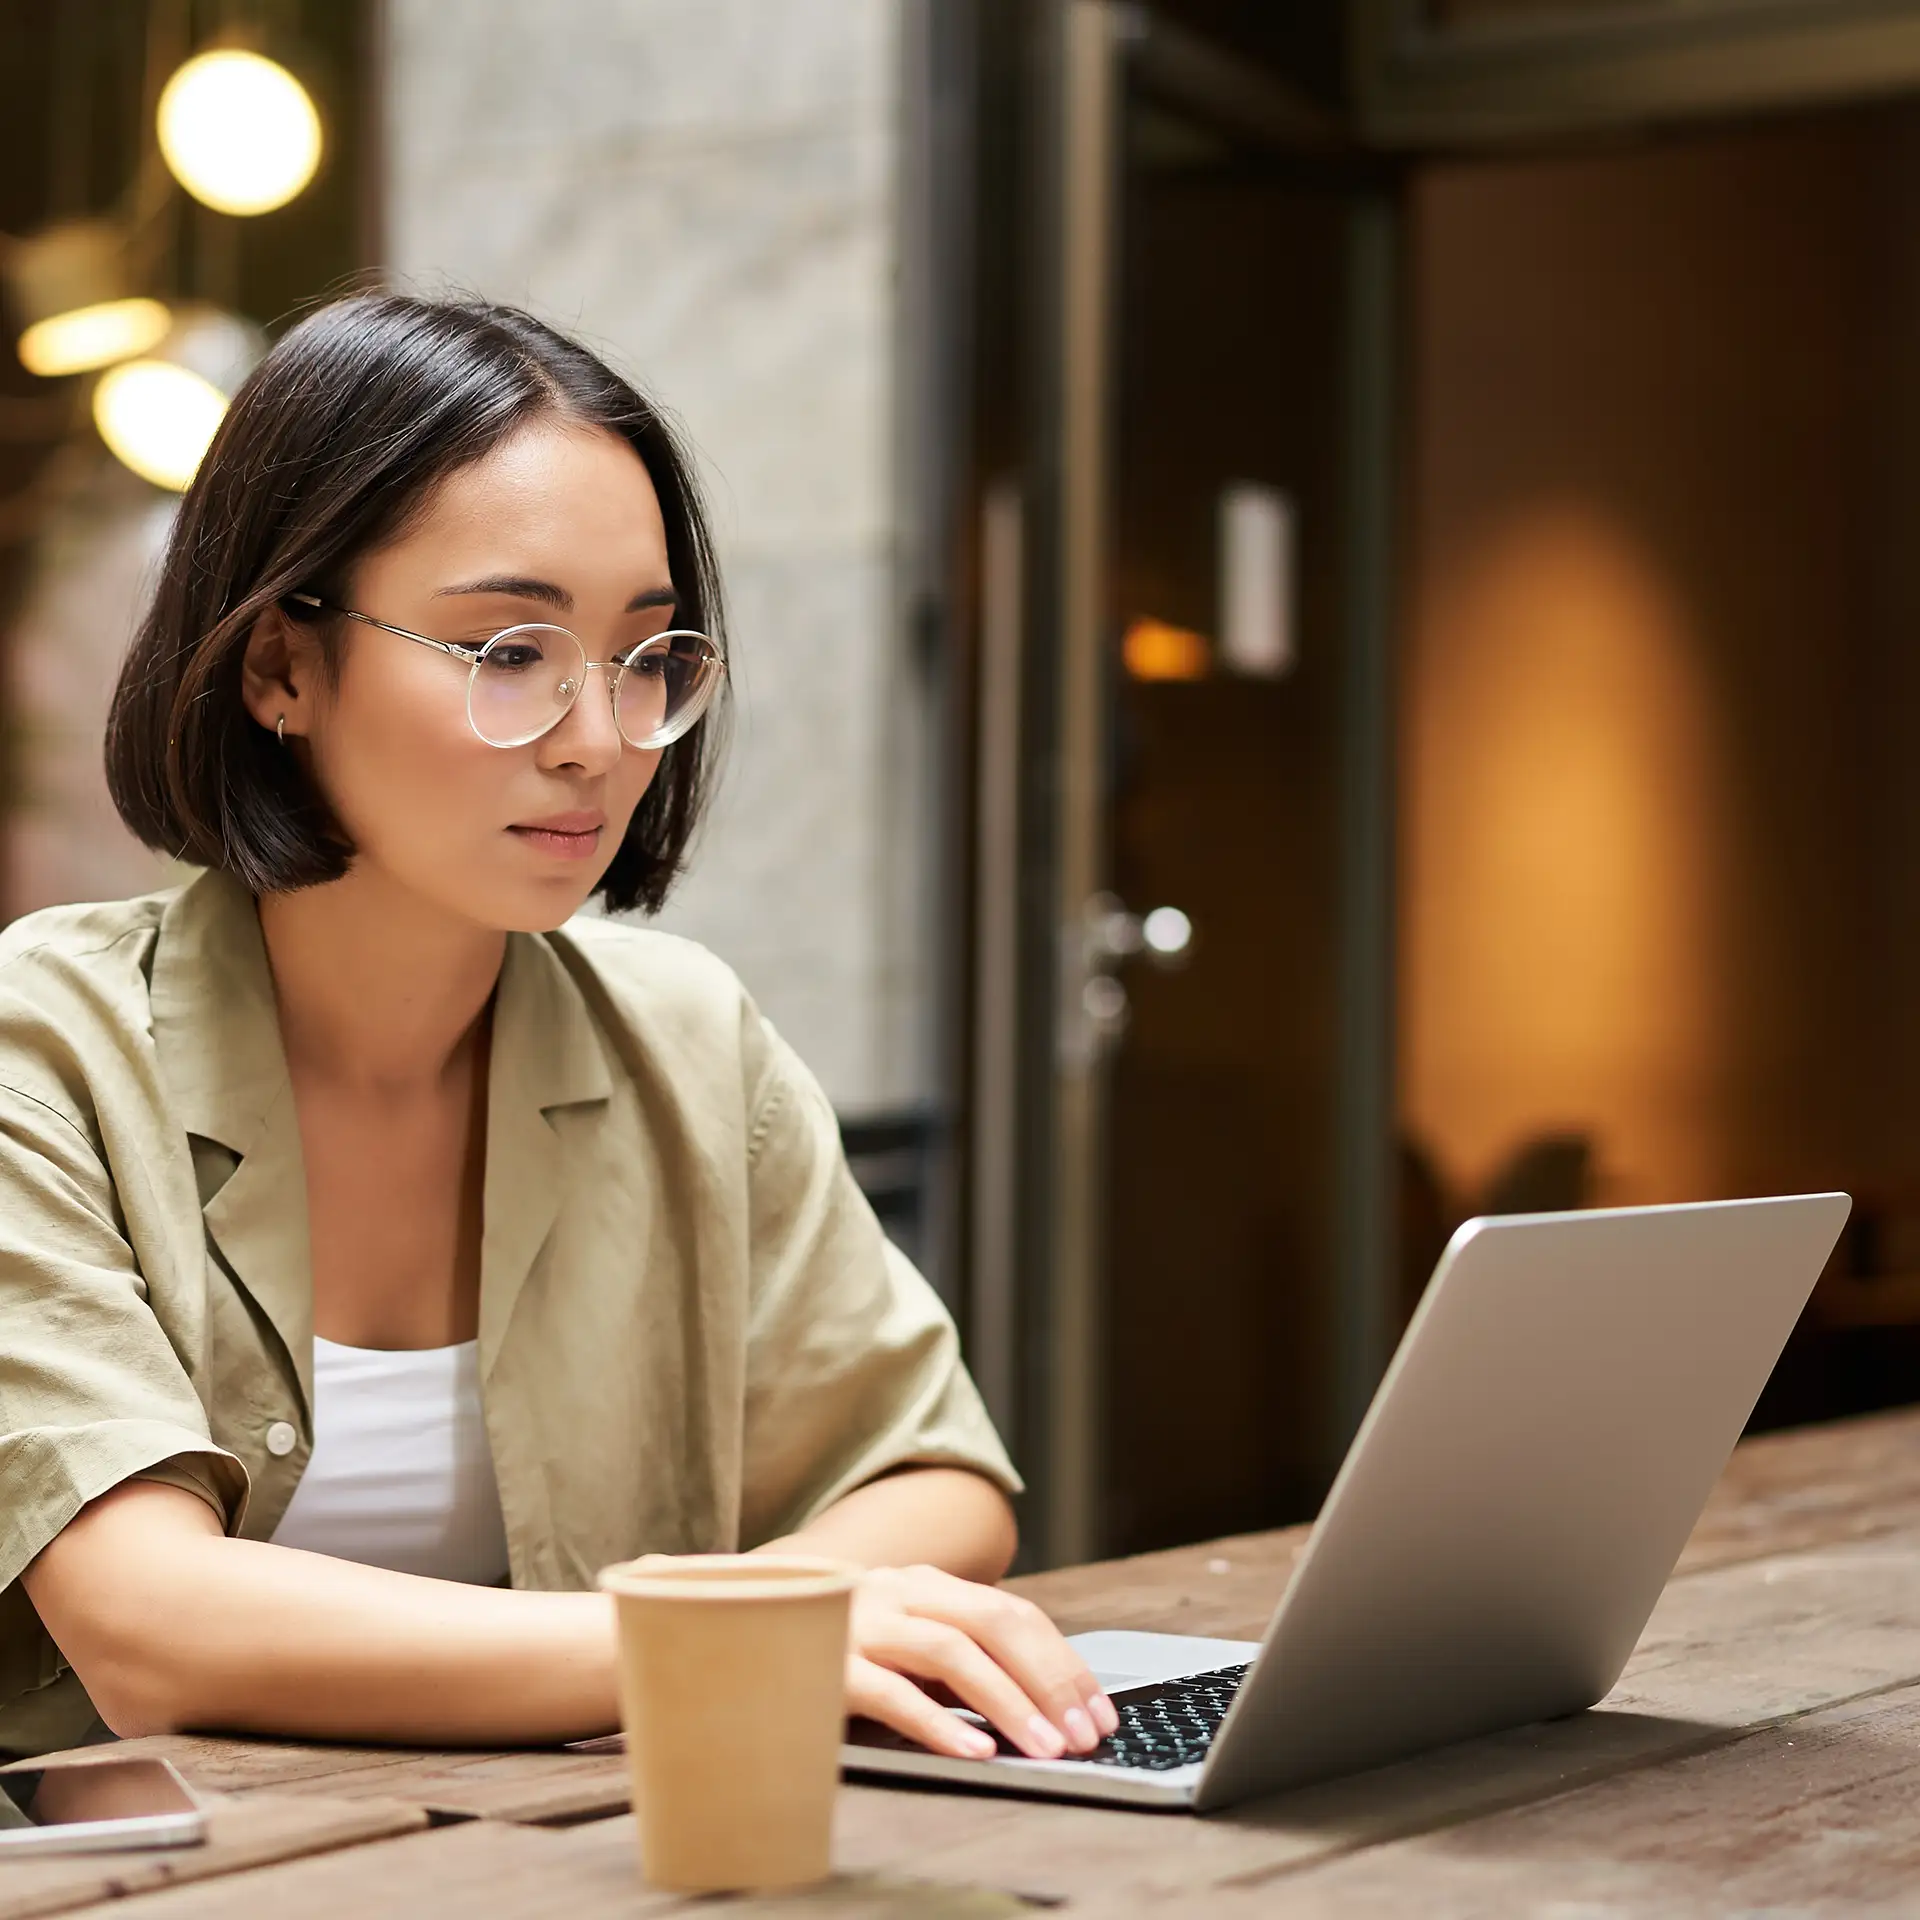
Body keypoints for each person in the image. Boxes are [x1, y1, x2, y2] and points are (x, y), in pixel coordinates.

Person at [0, 292, 1116, 1765]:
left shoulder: (687, 1036)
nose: (598, 735)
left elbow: (934, 1476)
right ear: (281, 667)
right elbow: (151, 1630)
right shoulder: (49, 1049)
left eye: (646, 657)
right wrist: (738, 1639)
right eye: (509, 650)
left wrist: (736, 1629)